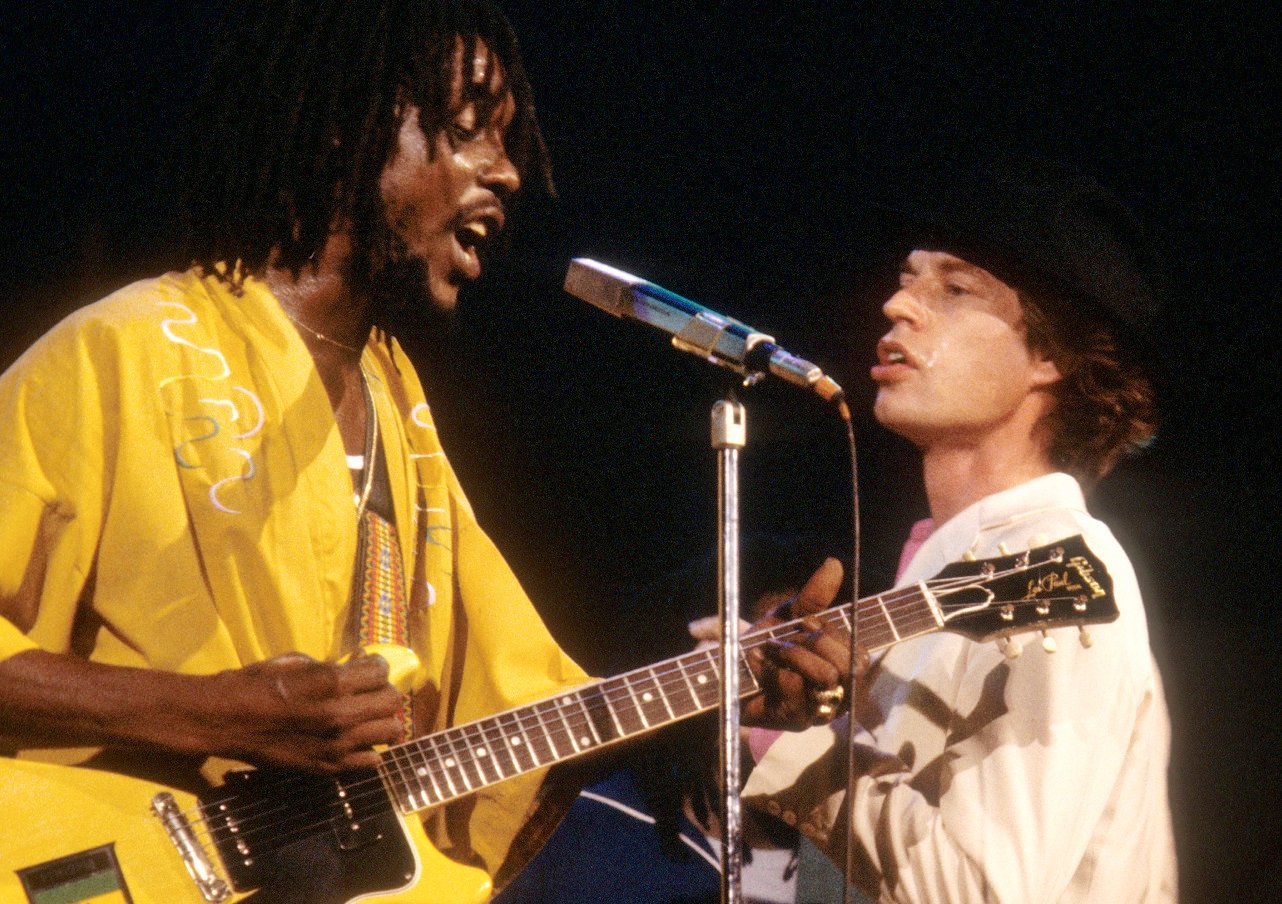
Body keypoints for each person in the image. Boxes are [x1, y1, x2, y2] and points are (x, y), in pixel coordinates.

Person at [0, 2, 847, 901]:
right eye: (466, 130)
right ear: (340, 134)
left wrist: (719, 698)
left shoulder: (398, 407)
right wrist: (221, 714)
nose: (509, 172)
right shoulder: (123, 350)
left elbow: (507, 714)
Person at [742, 162, 1179, 902]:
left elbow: (980, 888)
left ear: (1052, 357)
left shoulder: (1063, 573)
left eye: (954, 289)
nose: (897, 305)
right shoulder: (940, 577)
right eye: (908, 278)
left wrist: (794, 744)